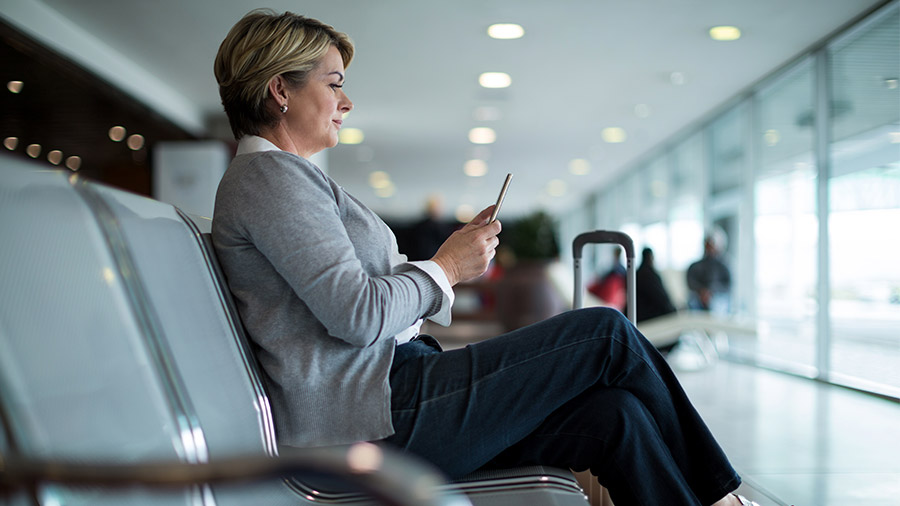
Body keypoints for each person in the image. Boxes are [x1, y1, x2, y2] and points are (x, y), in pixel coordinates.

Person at [210, 10, 755, 506]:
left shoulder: (286, 178)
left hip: (389, 394)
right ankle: (723, 499)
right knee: (605, 335)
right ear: (280, 89)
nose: (347, 103)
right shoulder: (270, 178)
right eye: (335, 85)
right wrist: (445, 267)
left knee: (616, 416)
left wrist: (447, 264)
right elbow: (357, 314)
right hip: (375, 415)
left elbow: (357, 306)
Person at [687, 231, 732, 314]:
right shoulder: (695, 266)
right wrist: (702, 291)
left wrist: (711, 291)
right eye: (707, 244)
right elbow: (690, 282)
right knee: (693, 303)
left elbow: (728, 285)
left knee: (717, 305)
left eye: (712, 245)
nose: (709, 248)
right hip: (698, 296)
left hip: (717, 296)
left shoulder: (724, 265)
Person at [636, 247, 677, 323]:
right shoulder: (650, 275)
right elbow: (661, 297)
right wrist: (673, 310)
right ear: (651, 257)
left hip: (637, 316)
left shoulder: (636, 274)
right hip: (650, 318)